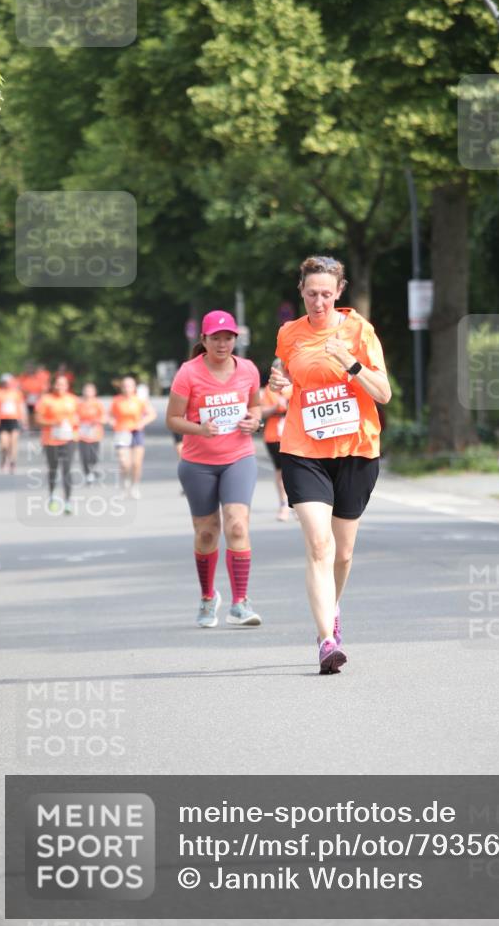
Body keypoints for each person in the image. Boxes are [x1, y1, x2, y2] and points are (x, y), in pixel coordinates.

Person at [270, 255, 391, 674]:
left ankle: (332, 608)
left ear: (338, 293)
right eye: (310, 294)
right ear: (300, 293)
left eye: (326, 294)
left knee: (342, 554)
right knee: (319, 545)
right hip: (304, 451)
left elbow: (384, 393)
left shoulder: (359, 330)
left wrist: (350, 363)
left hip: (356, 450)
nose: (318, 302)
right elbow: (284, 373)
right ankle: (326, 641)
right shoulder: (289, 334)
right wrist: (278, 383)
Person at [166, 310, 263, 628]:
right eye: (216, 338)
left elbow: (255, 405)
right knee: (207, 533)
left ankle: (240, 603)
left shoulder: (248, 369)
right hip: (198, 463)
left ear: (237, 339)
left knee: (237, 526)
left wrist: (254, 419)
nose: (223, 344)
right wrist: (199, 429)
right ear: (204, 340)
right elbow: (173, 420)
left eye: (229, 337)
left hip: (239, 457)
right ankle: (208, 598)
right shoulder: (188, 373)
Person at [34, 374, 79, 514]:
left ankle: (67, 502)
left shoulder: (73, 399)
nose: (60, 387)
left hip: (69, 439)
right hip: (50, 440)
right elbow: (37, 419)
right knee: (53, 469)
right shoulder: (46, 400)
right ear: (54, 385)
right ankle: (52, 496)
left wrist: (74, 425)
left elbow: (79, 417)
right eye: (58, 384)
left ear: (67, 386)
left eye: (63, 384)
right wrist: (53, 423)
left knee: (67, 469)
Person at [109, 376, 157, 498]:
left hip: (136, 432)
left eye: (129, 386)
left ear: (134, 387)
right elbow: (109, 416)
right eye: (124, 386)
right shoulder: (117, 400)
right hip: (122, 432)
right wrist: (113, 423)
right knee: (125, 463)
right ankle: (124, 485)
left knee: (136, 463)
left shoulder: (139, 400)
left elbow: (152, 414)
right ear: (121, 387)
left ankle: (135, 486)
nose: (127, 388)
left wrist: (142, 422)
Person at [260, 359, 292, 521]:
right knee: (281, 471)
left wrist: (288, 404)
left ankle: (298, 503)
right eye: (279, 369)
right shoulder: (270, 390)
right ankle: (284, 504)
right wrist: (276, 407)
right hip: (274, 436)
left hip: (295, 436)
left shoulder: (296, 386)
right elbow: (262, 411)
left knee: (296, 471)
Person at [0, 373, 27, 473]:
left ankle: (12, 462)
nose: (7, 384)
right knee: (4, 444)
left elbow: (22, 407)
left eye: (8, 382)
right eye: (5, 382)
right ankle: (4, 459)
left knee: (13, 442)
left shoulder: (16, 393)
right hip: (3, 421)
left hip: (14, 420)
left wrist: (24, 420)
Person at [77, 382, 107, 484]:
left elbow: (104, 417)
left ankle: (93, 468)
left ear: (94, 392)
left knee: (93, 456)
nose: (88, 393)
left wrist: (97, 421)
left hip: (95, 433)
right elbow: (74, 416)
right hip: (82, 434)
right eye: (86, 390)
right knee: (84, 456)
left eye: (90, 390)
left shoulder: (97, 404)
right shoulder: (79, 404)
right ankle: (87, 473)